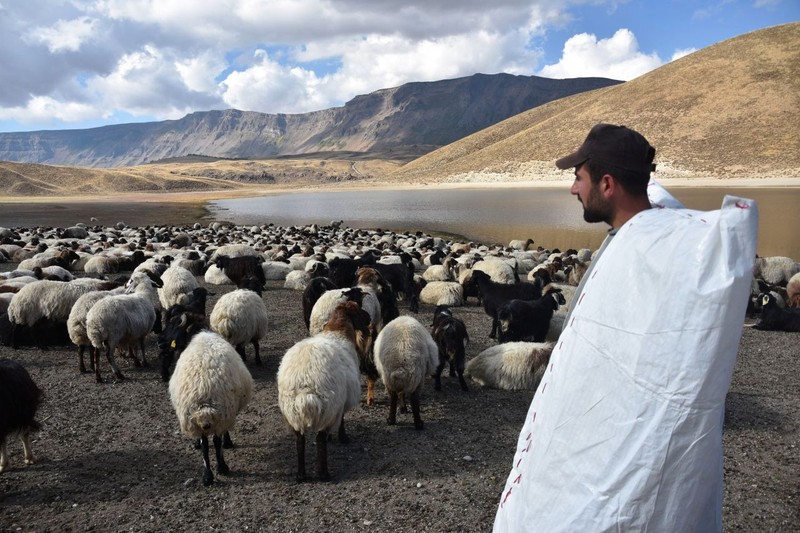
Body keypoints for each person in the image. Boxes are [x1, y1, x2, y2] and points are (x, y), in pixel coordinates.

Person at [492, 123, 758, 532]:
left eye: (579, 178)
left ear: (608, 184)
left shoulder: (643, 249)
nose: (573, 190)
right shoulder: (632, 240)